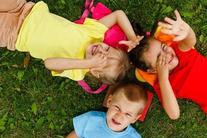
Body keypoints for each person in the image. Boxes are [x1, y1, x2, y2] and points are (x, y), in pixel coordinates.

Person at [0, 0, 143, 84]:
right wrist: (131, 37)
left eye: (100, 59)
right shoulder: (95, 34)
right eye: (107, 49)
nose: (101, 50)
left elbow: (49, 63)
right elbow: (118, 15)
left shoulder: (77, 71)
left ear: (94, 71)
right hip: (26, 9)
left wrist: (87, 63)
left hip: (15, 33)